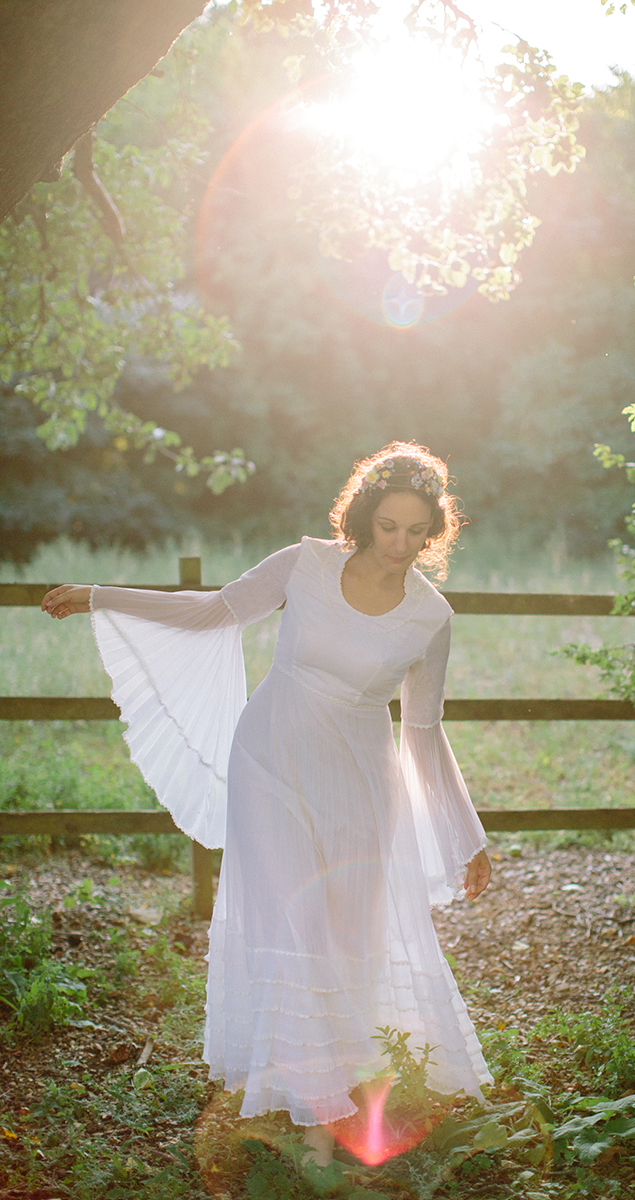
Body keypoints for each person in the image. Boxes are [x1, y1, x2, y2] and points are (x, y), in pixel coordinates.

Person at [42, 442, 492, 1167]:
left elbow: (423, 730)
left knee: (348, 932)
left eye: (417, 532)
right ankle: (319, 1119)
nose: (401, 545)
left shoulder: (430, 617)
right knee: (299, 919)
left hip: (360, 779)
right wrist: (101, 595)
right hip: (272, 759)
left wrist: (464, 834)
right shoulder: (304, 563)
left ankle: (336, 1076)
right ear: (363, 519)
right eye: (389, 528)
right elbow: (211, 612)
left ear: (435, 531)